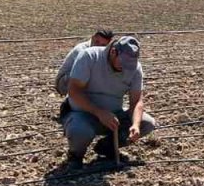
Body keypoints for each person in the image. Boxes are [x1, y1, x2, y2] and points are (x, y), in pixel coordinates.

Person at [63, 35, 156, 168]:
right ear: (113, 52)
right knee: (79, 130)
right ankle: (75, 155)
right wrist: (100, 113)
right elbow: (74, 92)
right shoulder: (89, 57)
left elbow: (136, 101)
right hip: (83, 114)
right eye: (123, 63)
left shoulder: (134, 68)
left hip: (114, 116)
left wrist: (135, 124)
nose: (125, 68)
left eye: (130, 64)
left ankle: (106, 148)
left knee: (147, 123)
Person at [55, 28, 114, 121]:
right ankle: (70, 104)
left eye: (103, 45)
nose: (98, 46)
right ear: (93, 37)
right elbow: (78, 74)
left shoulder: (104, 52)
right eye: (97, 41)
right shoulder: (82, 50)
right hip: (64, 81)